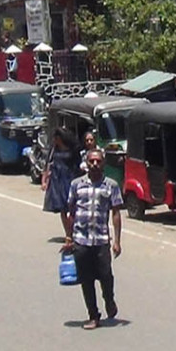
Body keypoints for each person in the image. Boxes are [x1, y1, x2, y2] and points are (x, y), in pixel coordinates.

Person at [63, 148, 123, 330]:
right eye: (92, 161)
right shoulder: (76, 185)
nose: (95, 164)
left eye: (98, 161)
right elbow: (71, 211)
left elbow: (116, 213)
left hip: (101, 240)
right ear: (86, 163)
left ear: (103, 163)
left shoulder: (111, 185)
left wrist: (117, 241)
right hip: (81, 240)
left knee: (106, 275)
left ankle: (109, 300)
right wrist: (69, 237)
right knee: (86, 280)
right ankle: (93, 315)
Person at [43, 129, 80, 234]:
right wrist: (44, 181)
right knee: (62, 209)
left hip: (69, 178)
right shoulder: (54, 149)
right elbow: (48, 164)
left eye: (55, 138)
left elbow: (77, 165)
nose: (54, 140)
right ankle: (68, 233)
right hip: (57, 180)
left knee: (73, 206)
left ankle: (74, 229)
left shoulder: (73, 149)